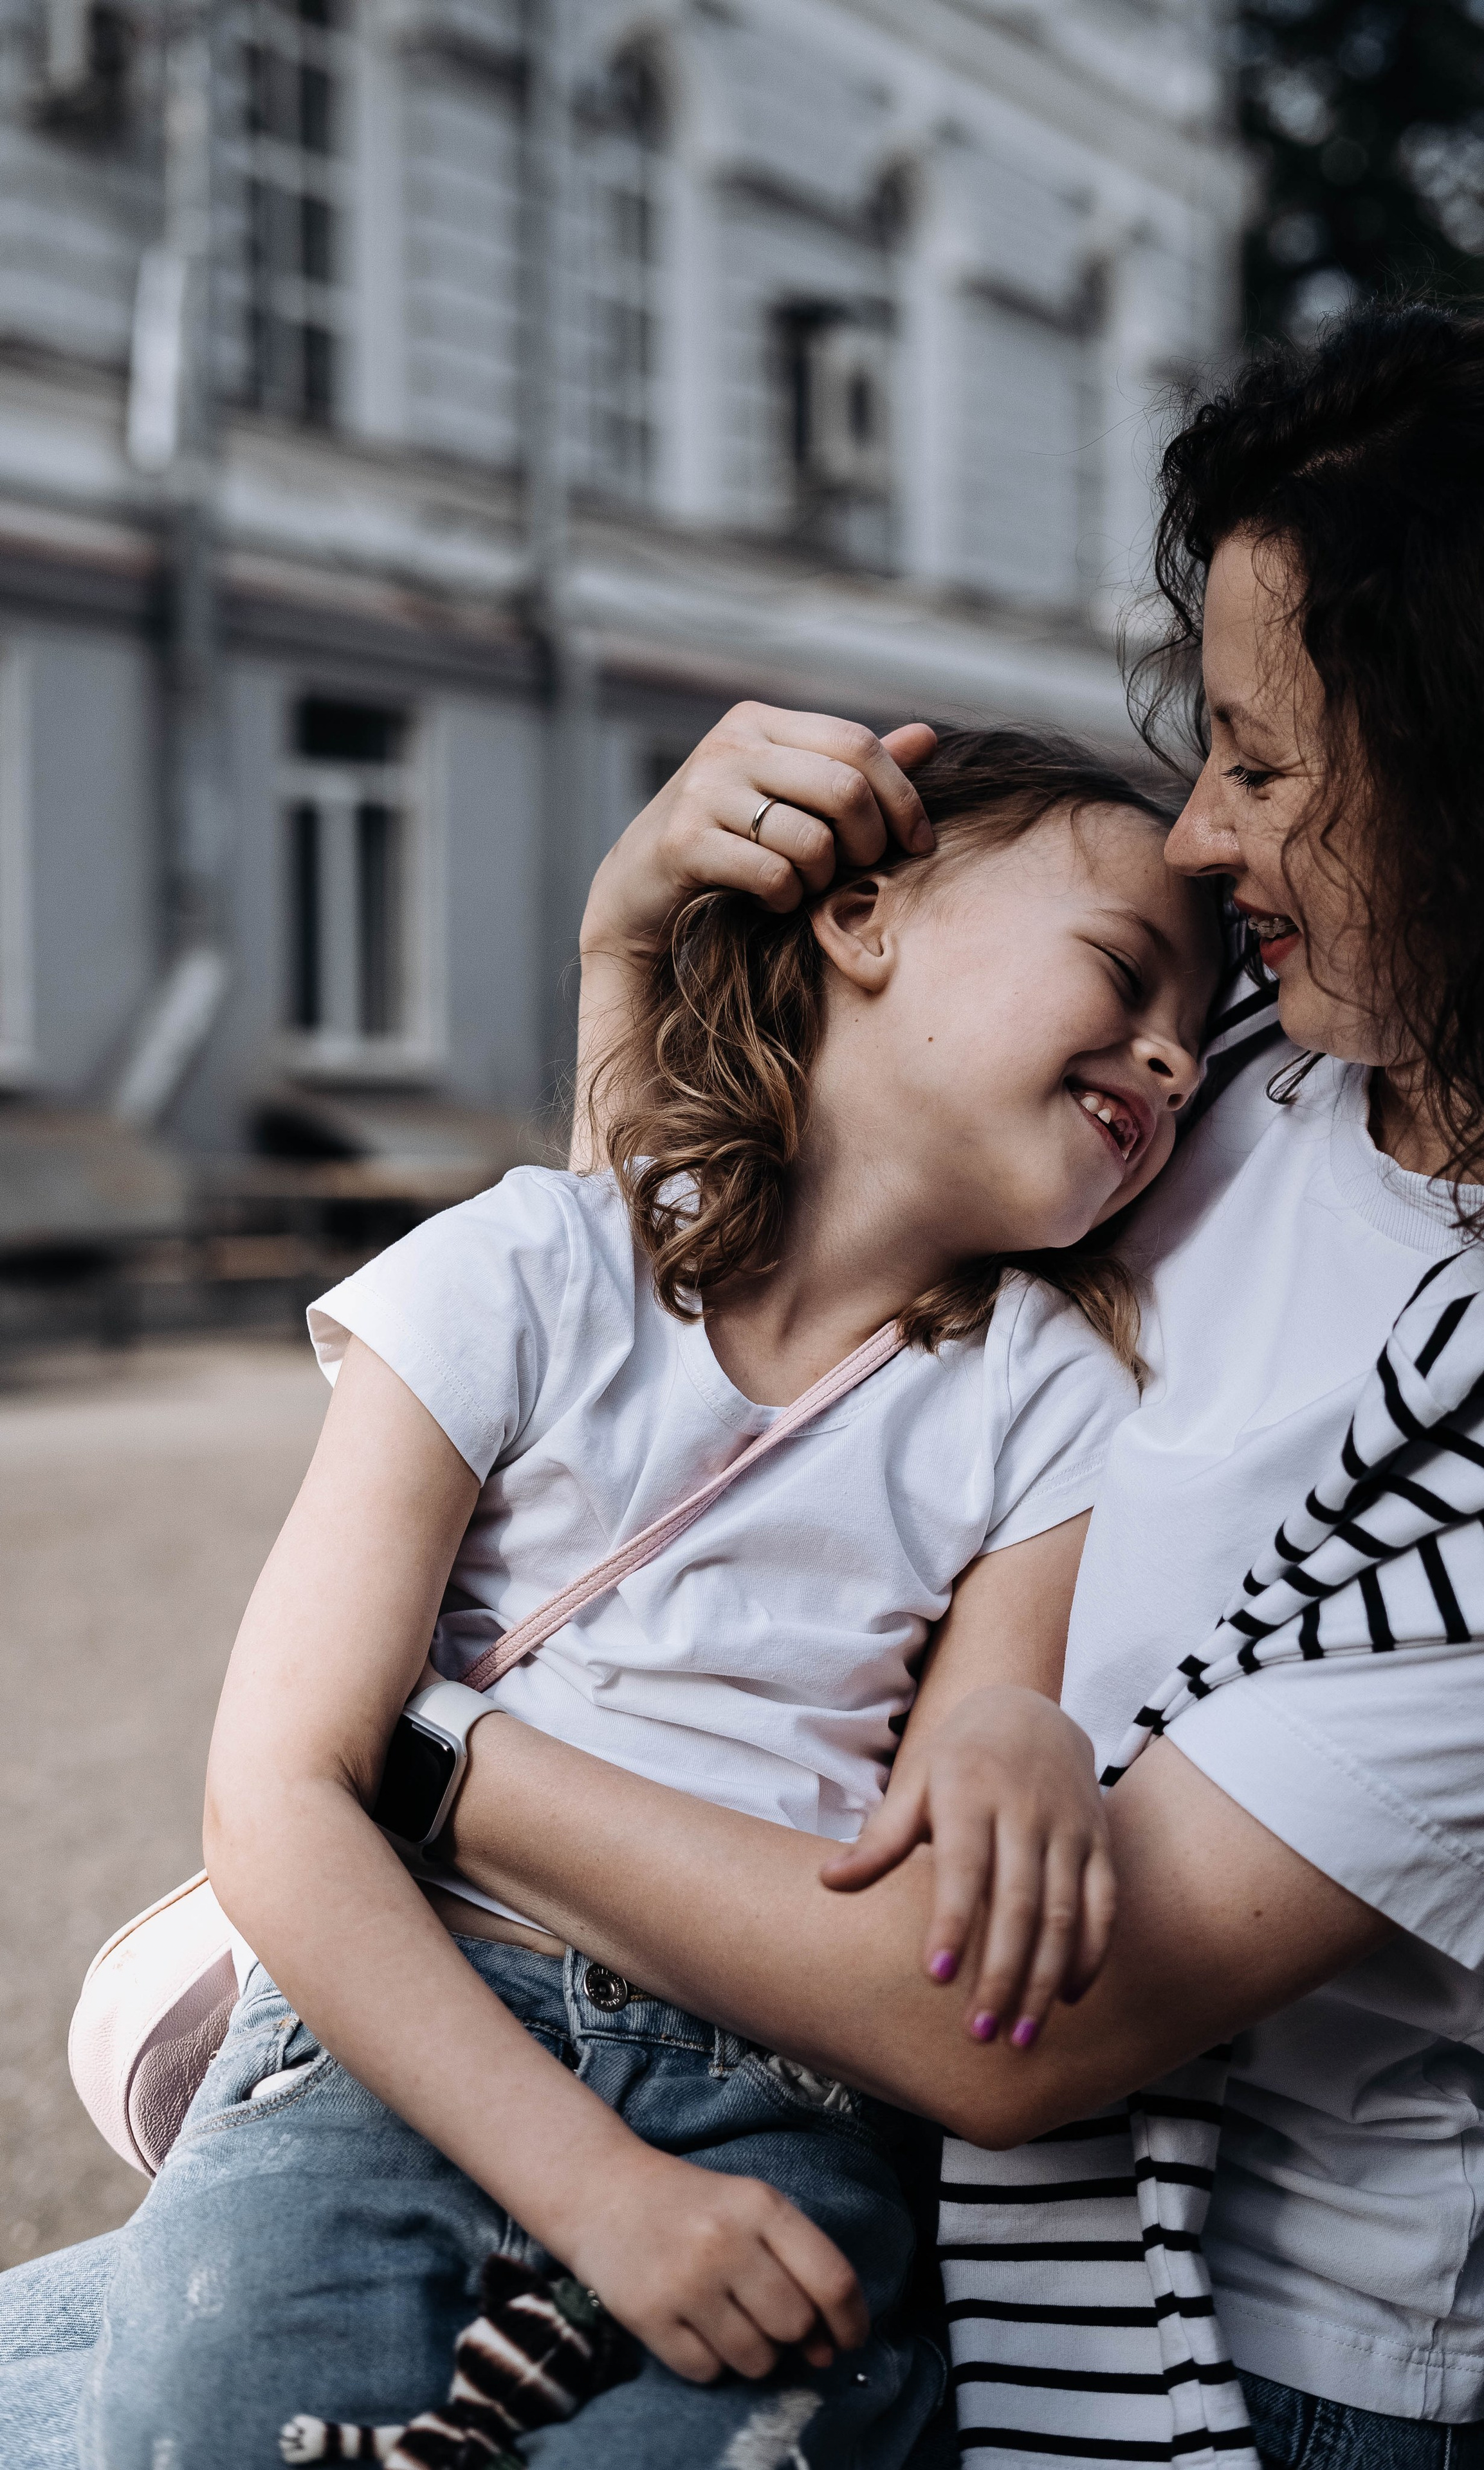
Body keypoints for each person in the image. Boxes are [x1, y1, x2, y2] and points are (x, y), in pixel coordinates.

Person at [4, 298, 1484, 2470]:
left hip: (1173, 2346)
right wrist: (636, 950)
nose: (1202, 843)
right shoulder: (1245, 1044)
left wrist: (395, 1760)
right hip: (739, 2121)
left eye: (1263, 763)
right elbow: (686, 1398)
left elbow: (1010, 2038)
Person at [71, 729, 1220, 2470]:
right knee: (208, 2424)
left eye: (1194, 1046)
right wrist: (599, 2194)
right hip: (412, 2019)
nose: (1168, 1050)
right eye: (1127, 972)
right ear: (860, 917)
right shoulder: (518, 1269)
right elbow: (281, 1787)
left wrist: (1024, 1750)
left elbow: (993, 1704)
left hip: (788, 2098)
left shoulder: (1053, 1383)